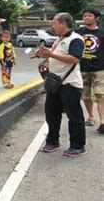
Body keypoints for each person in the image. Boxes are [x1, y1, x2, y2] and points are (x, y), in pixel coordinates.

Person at [37, 12, 86, 157]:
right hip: (55, 82)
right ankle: (52, 141)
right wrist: (44, 54)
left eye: (55, 23)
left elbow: (75, 59)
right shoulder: (60, 39)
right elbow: (56, 57)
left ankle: (78, 146)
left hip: (70, 83)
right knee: (51, 112)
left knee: (74, 115)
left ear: (63, 24)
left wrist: (51, 55)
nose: (53, 26)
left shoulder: (75, 39)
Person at [78, 7, 104, 133]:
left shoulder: (102, 33)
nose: (87, 17)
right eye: (85, 15)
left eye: (90, 15)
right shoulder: (78, 32)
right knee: (85, 95)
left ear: (96, 18)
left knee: (100, 95)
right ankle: (91, 116)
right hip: (82, 68)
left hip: (100, 69)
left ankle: (103, 122)